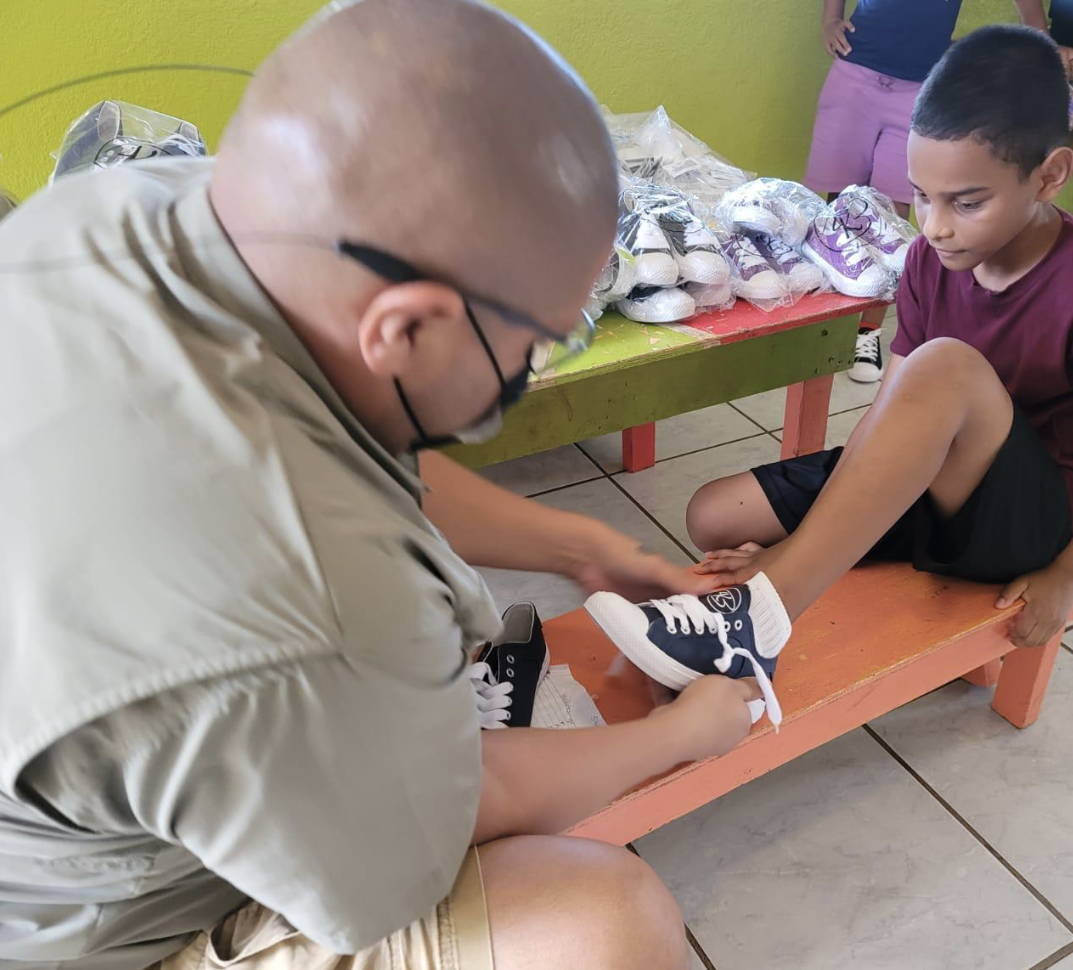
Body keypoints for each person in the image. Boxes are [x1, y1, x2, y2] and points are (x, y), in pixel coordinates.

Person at [0, 3, 756, 970]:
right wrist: (683, 736)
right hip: (76, 938)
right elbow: (450, 813)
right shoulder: (308, 600)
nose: (526, 372)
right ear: (402, 328)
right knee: (605, 925)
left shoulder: (130, 212)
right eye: (533, 348)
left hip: (55, 798)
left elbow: (337, 435)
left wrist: (587, 548)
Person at [585, 26, 1073, 727]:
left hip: (1030, 519)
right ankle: (779, 587)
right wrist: (812, 540)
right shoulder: (934, 259)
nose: (933, 226)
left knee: (946, 366)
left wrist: (1066, 572)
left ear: (1050, 176)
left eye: (965, 201)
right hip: (933, 482)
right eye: (919, 197)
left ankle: (755, 624)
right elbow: (891, 408)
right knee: (716, 514)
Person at [810, 0, 1073, 383]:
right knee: (833, 217)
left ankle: (868, 335)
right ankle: (817, 332)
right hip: (854, 75)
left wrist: (1042, 40)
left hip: (918, 90)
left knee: (887, 228)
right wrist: (830, 20)